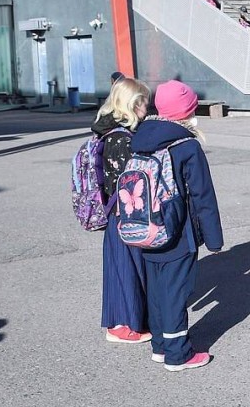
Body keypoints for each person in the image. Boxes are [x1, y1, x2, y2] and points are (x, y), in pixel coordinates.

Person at [131, 80, 224, 371]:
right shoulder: (186, 145)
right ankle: (177, 353)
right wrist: (214, 239)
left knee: (157, 288)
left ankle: (160, 344)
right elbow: (202, 195)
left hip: (144, 225)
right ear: (187, 111)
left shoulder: (140, 137)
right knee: (175, 291)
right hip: (177, 230)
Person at [91, 78, 151, 344]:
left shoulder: (109, 129)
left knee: (121, 266)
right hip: (123, 212)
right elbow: (127, 179)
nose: (147, 108)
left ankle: (124, 322)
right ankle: (122, 326)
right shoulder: (121, 138)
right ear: (133, 104)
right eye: (144, 103)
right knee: (126, 268)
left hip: (116, 210)